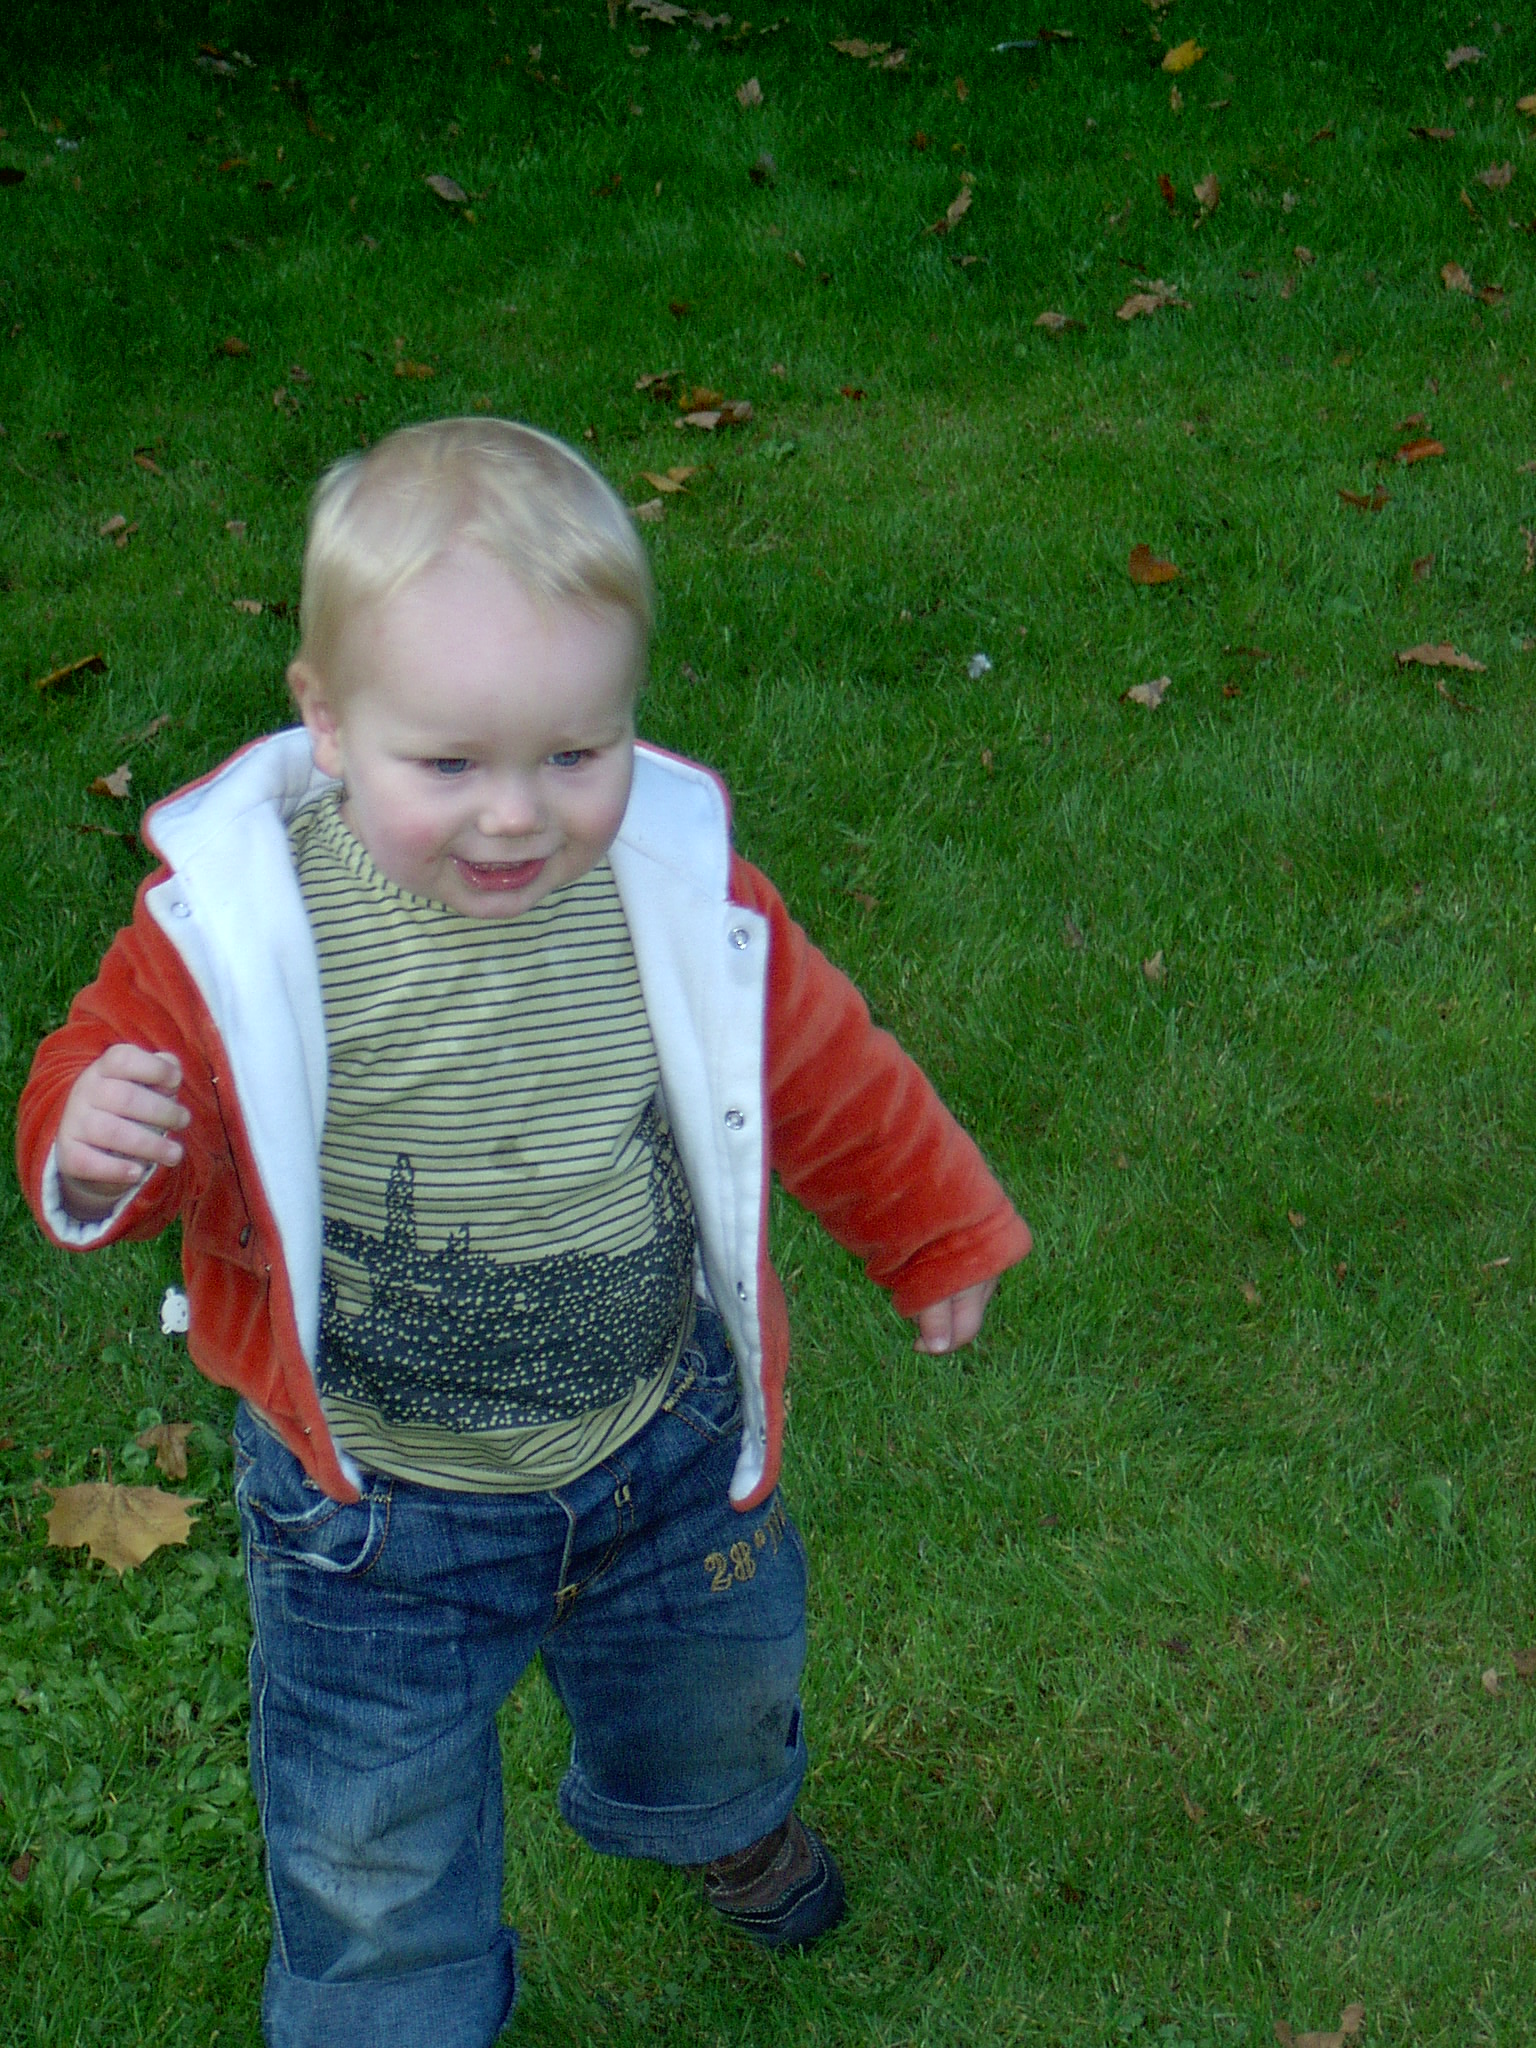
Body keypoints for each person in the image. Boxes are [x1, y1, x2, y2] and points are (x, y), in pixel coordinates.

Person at [16, 418, 1030, 2048]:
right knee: (370, 1841)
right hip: (375, 1516)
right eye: (450, 766)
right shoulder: (241, 933)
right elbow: (125, 1108)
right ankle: (390, 2016)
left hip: (661, 1447)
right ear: (327, 721)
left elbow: (824, 1071)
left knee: (714, 1695)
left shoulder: (675, 897)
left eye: (575, 754)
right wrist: (96, 1139)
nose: (515, 816)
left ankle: (723, 1822)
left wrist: (932, 1228)